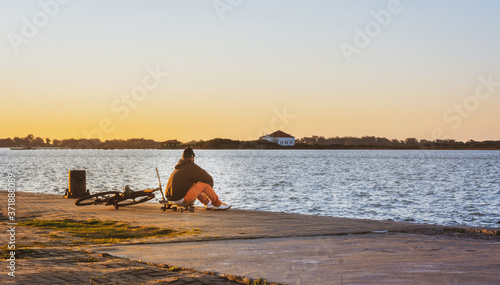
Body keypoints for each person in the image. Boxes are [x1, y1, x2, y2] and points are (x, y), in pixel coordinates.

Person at [165, 147, 231, 210]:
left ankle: (207, 203)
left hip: (170, 200)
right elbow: (208, 178)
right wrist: (208, 188)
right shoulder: (191, 166)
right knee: (204, 185)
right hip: (179, 199)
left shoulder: (178, 168)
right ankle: (217, 204)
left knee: (194, 184)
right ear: (192, 157)